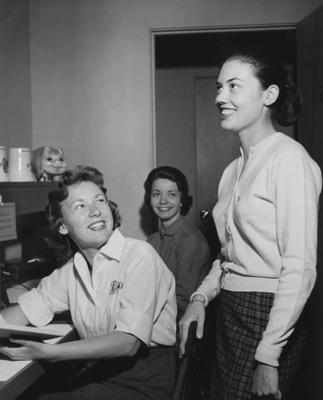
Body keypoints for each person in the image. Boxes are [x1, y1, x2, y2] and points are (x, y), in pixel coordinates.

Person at [179, 48, 322, 400]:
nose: (220, 97)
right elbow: (229, 256)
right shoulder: (231, 171)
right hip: (230, 309)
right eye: (218, 87)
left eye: (233, 86)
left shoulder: (289, 159)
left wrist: (269, 356)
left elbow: (300, 265)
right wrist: (200, 297)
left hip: (270, 314)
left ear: (268, 95)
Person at [0, 165, 177, 400]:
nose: (95, 211)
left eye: (100, 201)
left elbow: (127, 343)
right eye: (80, 206)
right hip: (100, 370)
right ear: (63, 226)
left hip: (143, 379)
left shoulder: (140, 255)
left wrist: (51, 352)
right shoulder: (72, 269)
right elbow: (28, 308)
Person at [144, 166, 211, 320]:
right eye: (156, 194)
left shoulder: (190, 240)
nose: (163, 201)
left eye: (172, 194)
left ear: (182, 200)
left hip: (177, 328)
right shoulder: (152, 240)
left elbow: (182, 302)